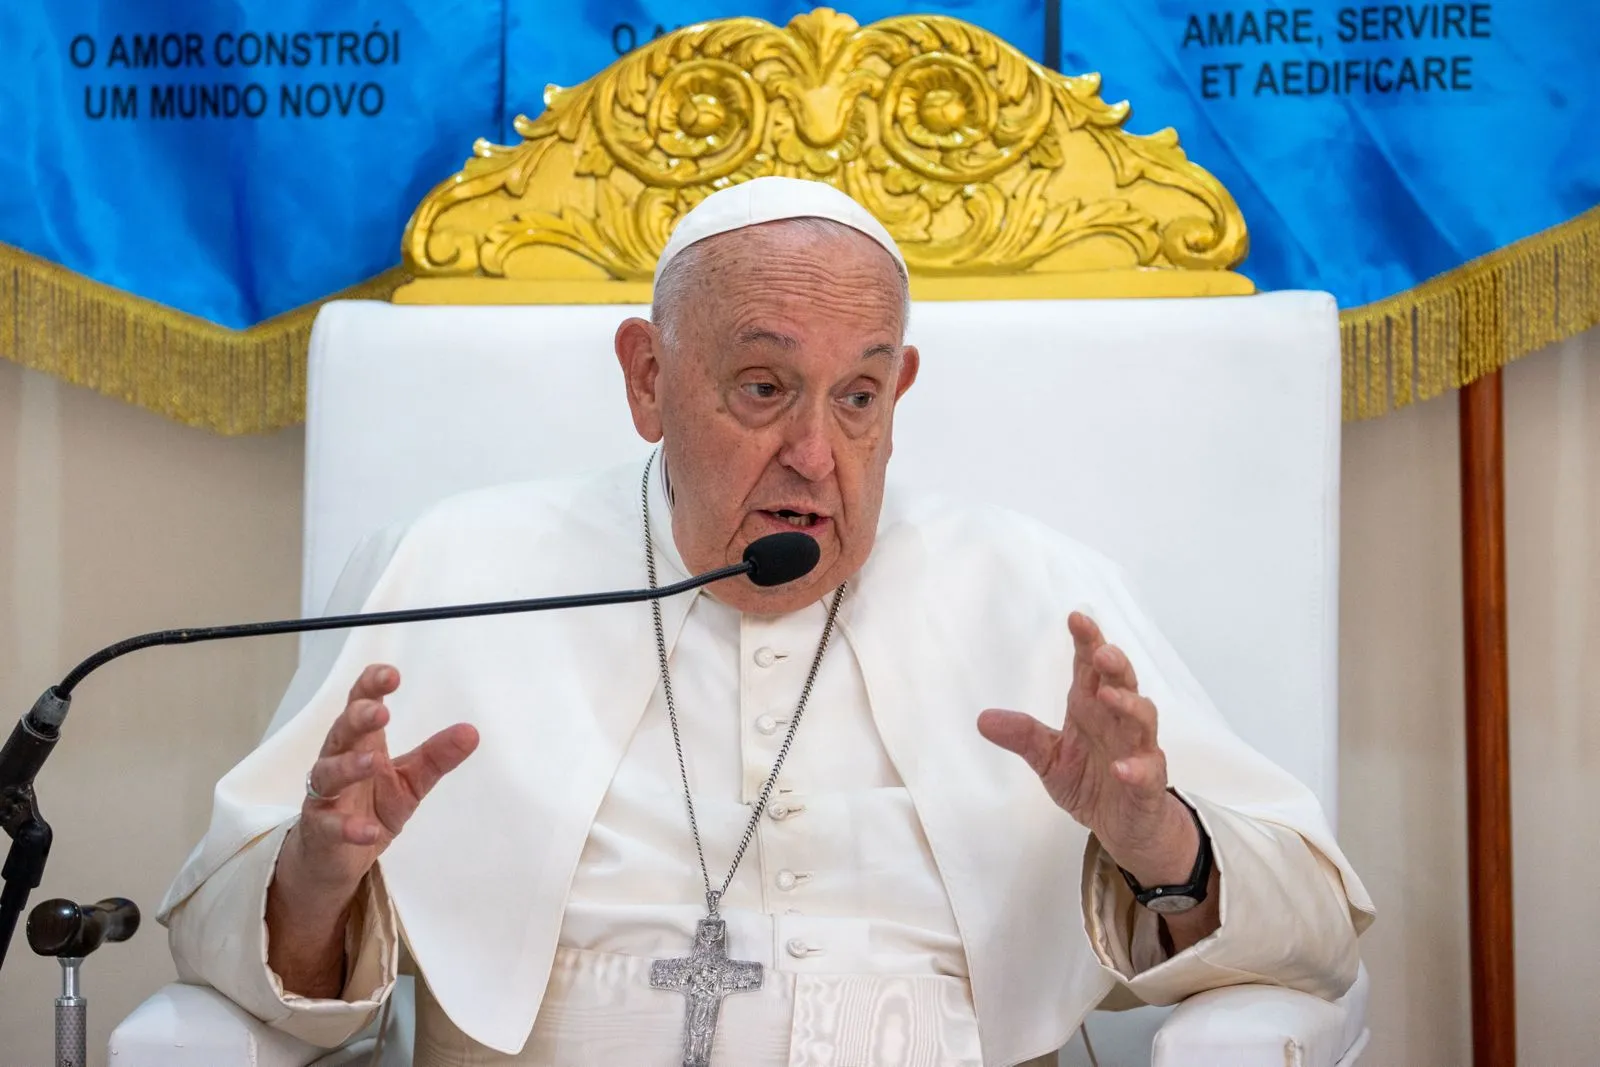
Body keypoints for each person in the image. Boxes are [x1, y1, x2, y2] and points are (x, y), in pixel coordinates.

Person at [160, 176, 1373, 1067]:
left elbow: (1316, 935)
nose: (814, 454)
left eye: (857, 397)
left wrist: (1158, 840)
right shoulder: (456, 567)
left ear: (899, 392)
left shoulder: (1035, 588)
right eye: (761, 386)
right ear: (647, 378)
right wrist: (315, 879)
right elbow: (234, 959)